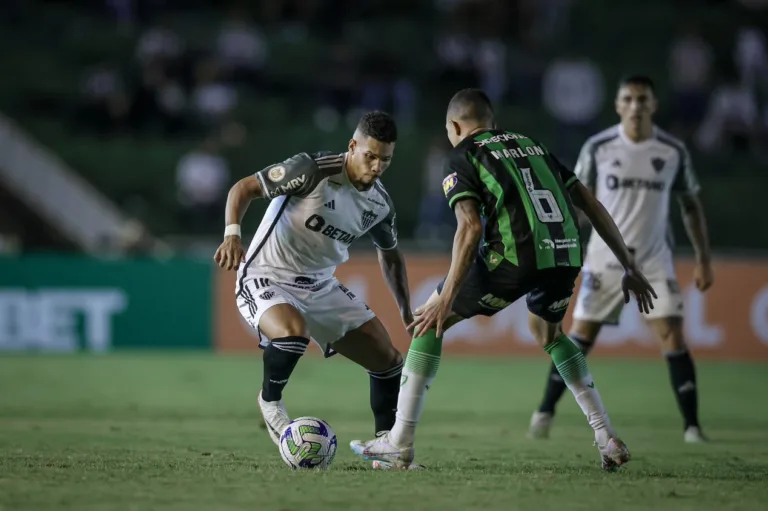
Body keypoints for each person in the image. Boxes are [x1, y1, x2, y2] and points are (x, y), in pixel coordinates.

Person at [350, 88, 657, 471]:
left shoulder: (462, 155)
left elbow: (470, 226)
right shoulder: (533, 146)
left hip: (514, 255)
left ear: (455, 126)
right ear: (491, 121)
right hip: (564, 253)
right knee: (549, 334)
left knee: (428, 321)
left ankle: (399, 442)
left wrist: (446, 296)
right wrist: (629, 265)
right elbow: (590, 204)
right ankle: (605, 436)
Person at [214, 111, 416, 468]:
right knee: (293, 334)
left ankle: (386, 450)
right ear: (352, 146)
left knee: (388, 360)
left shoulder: (380, 204)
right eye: (370, 156)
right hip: (266, 275)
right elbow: (243, 188)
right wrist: (232, 234)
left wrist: (405, 309)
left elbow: (391, 255)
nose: (377, 167)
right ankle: (270, 402)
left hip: (321, 286)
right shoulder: (311, 170)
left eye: (385, 159)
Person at [529, 75, 713, 443]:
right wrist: (558, 243)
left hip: (653, 259)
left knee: (672, 335)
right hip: (605, 259)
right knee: (580, 336)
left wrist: (703, 258)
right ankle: (544, 412)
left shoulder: (672, 151)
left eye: (642, 99)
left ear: (653, 105)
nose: (635, 106)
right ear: (617, 105)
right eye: (628, 99)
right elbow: (578, 203)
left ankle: (693, 427)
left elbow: (691, 206)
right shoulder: (599, 147)